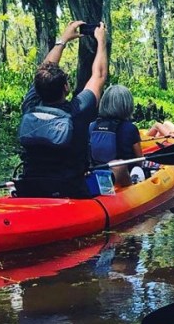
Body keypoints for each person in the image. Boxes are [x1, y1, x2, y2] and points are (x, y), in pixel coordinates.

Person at [17, 20, 108, 197]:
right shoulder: (78, 109)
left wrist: (63, 40)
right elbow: (99, 75)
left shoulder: (30, 105)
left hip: (30, 188)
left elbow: (43, 71)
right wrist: (101, 41)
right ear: (66, 88)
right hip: (70, 189)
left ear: (38, 87)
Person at [89, 85, 143, 187]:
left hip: (98, 174)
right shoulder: (131, 128)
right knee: (138, 169)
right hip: (125, 177)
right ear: (127, 105)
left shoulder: (92, 126)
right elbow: (140, 160)